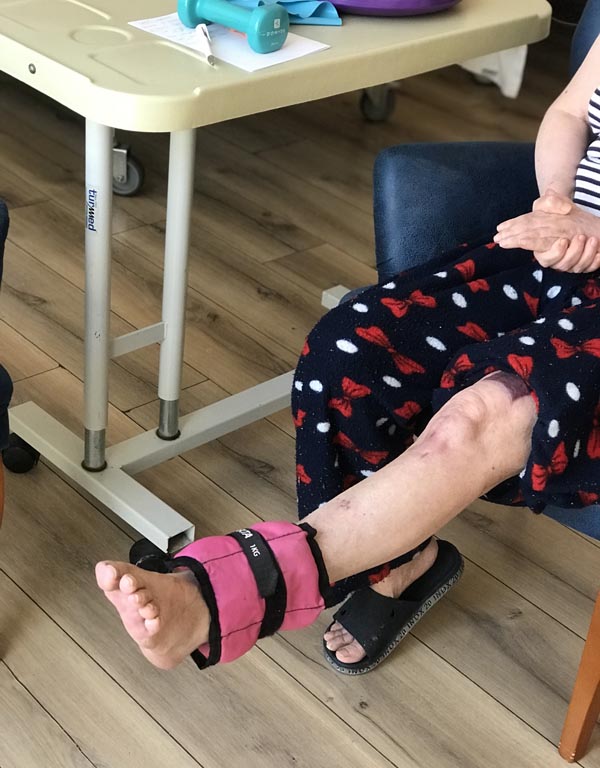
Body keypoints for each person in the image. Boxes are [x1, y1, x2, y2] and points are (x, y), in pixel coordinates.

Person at [97, 31, 600, 676]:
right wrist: (557, 198)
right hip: (555, 255)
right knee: (349, 354)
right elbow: (570, 113)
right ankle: (399, 562)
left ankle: (221, 597)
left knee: (484, 415)